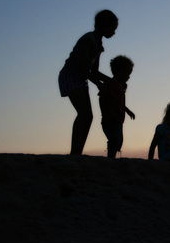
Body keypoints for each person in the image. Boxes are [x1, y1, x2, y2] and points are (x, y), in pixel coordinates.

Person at [58, 10, 118, 155]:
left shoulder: (98, 43)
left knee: (86, 115)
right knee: (85, 114)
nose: (114, 32)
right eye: (113, 28)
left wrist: (112, 82)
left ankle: (76, 151)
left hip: (80, 78)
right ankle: (75, 152)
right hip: (71, 76)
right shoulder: (88, 40)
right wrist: (100, 84)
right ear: (104, 25)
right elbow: (84, 68)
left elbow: (94, 71)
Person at [99, 55, 135, 158]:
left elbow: (120, 102)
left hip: (118, 120)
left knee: (118, 140)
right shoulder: (110, 84)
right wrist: (107, 113)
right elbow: (102, 98)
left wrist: (127, 110)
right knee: (114, 139)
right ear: (119, 72)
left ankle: (112, 157)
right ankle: (110, 158)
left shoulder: (121, 86)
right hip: (110, 119)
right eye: (127, 73)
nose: (128, 77)